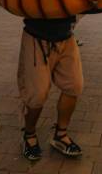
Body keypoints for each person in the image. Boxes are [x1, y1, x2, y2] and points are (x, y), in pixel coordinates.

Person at [19, 16, 83, 161]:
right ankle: (29, 134)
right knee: (37, 94)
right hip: (36, 37)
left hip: (66, 37)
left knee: (74, 86)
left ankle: (60, 135)